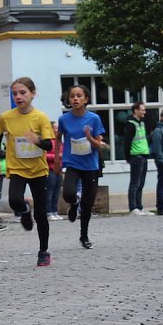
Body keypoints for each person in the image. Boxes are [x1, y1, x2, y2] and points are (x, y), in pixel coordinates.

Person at [0, 77, 54, 266]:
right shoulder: (6, 117)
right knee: (14, 200)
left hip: (38, 170)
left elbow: (48, 144)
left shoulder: (40, 117)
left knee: (42, 213)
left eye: (22, 93)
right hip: (17, 167)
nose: (18, 97)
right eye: (15, 94)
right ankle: (25, 210)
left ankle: (43, 251)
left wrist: (36, 140)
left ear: (32, 94)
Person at [58, 83, 105, 250]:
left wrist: (89, 138)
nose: (75, 99)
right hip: (72, 163)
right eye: (72, 96)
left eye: (79, 96)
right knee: (68, 192)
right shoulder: (64, 119)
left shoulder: (94, 119)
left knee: (88, 203)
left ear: (86, 99)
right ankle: (73, 202)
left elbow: (99, 144)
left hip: (90, 165)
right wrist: (58, 160)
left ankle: (84, 235)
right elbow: (58, 139)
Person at [124, 101, 153, 216]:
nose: (144, 112)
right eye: (142, 110)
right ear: (136, 110)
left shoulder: (141, 123)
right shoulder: (131, 124)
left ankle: (139, 207)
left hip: (143, 154)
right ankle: (133, 207)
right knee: (135, 183)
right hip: (136, 156)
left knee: (141, 183)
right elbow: (127, 142)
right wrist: (128, 157)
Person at [45, 120, 64, 221]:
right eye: (55, 128)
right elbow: (44, 155)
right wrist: (56, 156)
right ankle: (48, 212)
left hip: (58, 169)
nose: (57, 130)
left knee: (57, 191)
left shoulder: (59, 141)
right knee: (49, 191)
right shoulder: (47, 141)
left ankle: (54, 211)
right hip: (50, 169)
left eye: (57, 128)